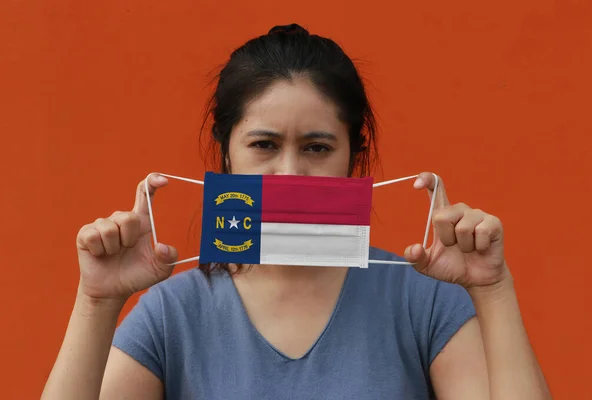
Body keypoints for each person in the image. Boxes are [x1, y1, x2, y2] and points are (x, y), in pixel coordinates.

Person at [42, 24, 551, 399]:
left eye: (316, 147)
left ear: (354, 153)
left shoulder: (423, 303)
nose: (289, 173)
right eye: (263, 144)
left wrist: (493, 288)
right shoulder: (172, 313)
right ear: (226, 155)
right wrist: (96, 303)